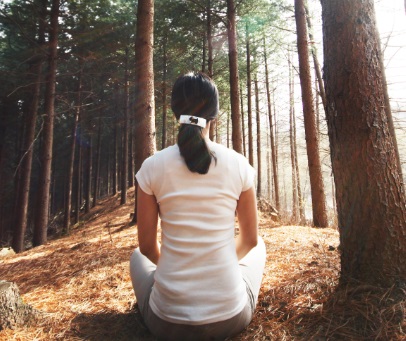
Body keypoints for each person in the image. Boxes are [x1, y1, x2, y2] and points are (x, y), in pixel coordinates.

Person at [130, 72, 266, 340]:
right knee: (259, 245)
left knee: (136, 255)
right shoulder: (238, 164)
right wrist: (220, 264)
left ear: (173, 112)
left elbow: (147, 247)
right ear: (214, 116)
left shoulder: (152, 167)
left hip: (165, 322)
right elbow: (249, 240)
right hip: (230, 317)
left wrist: (174, 266)